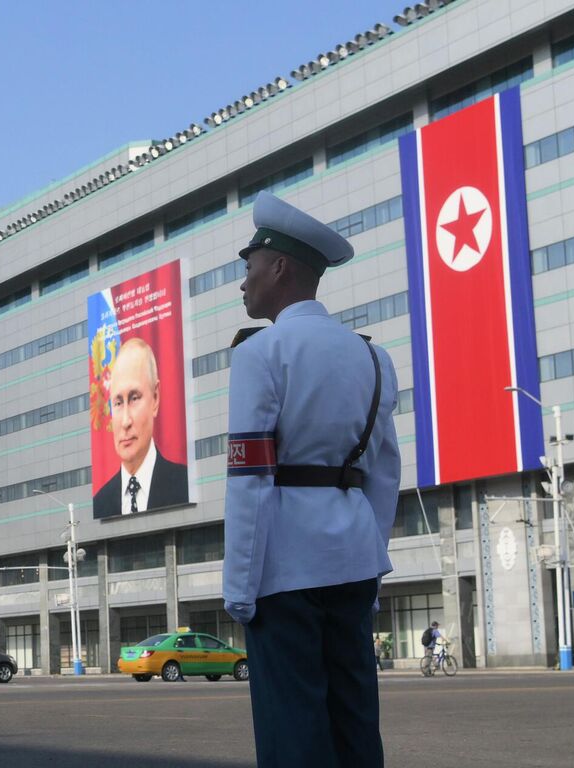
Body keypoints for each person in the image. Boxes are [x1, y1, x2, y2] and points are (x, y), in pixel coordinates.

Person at [224, 193, 397, 767]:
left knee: (291, 733)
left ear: (280, 267)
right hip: (353, 562)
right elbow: (383, 475)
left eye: (248, 268)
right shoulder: (374, 359)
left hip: (284, 570)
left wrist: (240, 586)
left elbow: (249, 481)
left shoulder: (260, 355)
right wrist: (371, 566)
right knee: (355, 726)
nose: (243, 283)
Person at [91, 338, 191, 519]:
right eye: (118, 402)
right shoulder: (100, 503)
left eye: (135, 398)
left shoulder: (184, 484)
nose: (126, 421)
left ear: (155, 397)